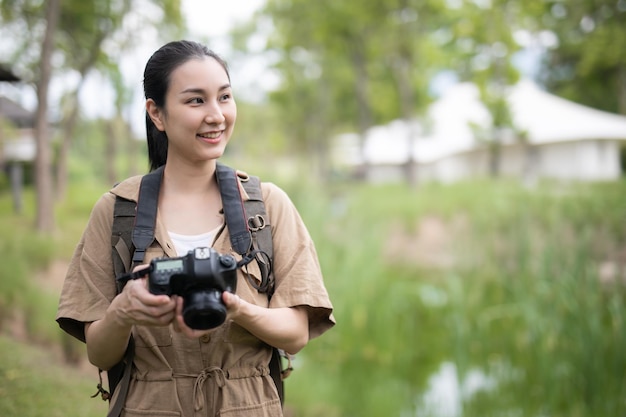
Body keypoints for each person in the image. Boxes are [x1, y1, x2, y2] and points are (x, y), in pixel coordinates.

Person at [56, 40, 335, 416]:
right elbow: (99, 352)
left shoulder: (266, 206)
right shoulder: (118, 211)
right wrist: (124, 310)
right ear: (156, 113)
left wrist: (236, 309)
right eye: (196, 101)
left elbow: (297, 334)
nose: (216, 115)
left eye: (224, 97)